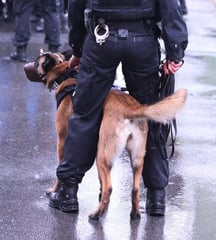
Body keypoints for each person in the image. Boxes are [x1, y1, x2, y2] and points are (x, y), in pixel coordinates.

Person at [49, 0, 188, 217]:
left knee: (85, 115)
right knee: (149, 116)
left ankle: (68, 192)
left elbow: (75, 4)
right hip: (143, 39)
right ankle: (156, 196)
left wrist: (77, 47)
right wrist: (175, 50)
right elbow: (170, 5)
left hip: (100, 37)